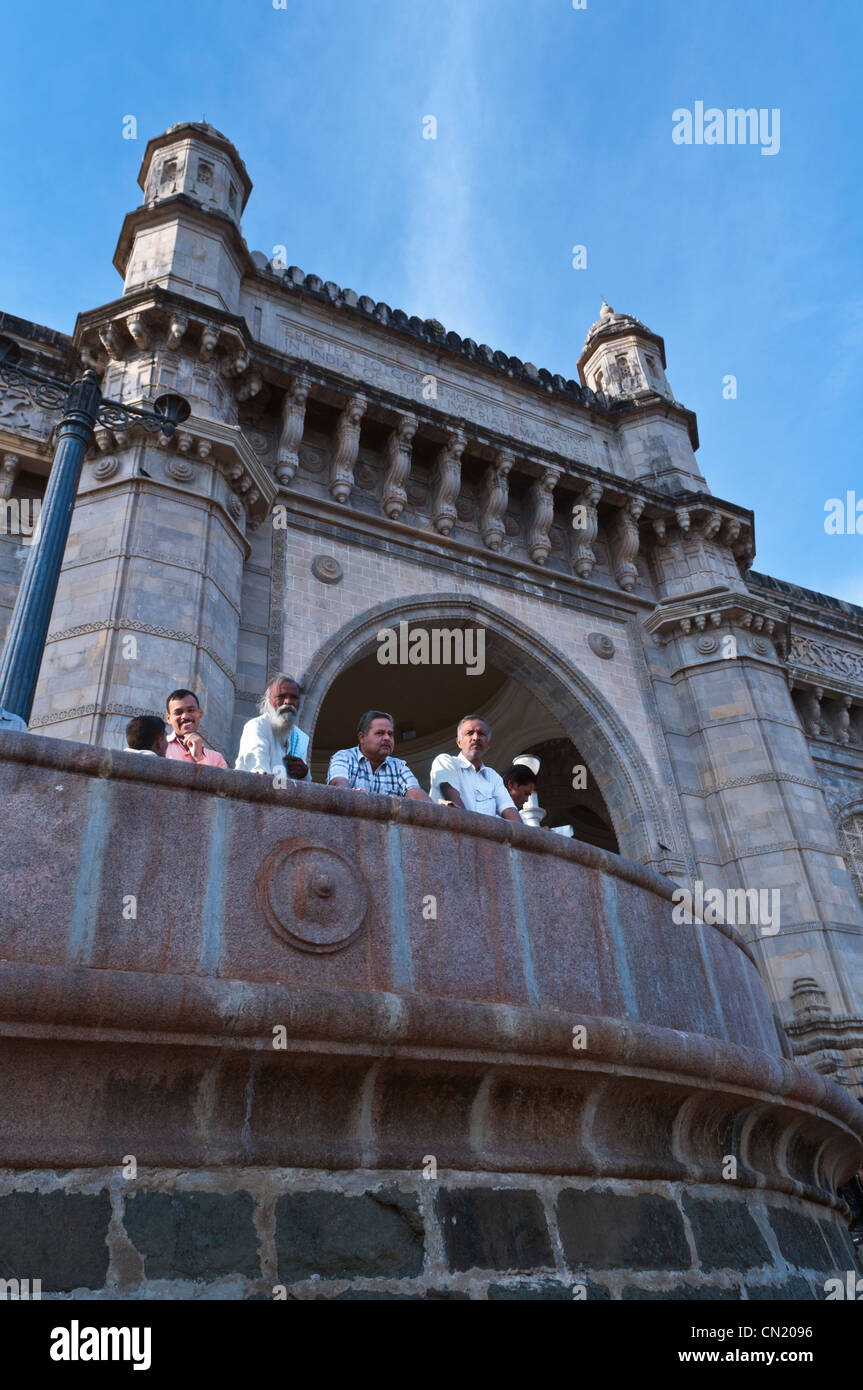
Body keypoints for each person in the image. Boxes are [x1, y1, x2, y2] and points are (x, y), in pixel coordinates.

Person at [429, 715, 520, 821]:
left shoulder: (493, 776)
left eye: (481, 733)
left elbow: (509, 810)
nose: (476, 738)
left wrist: (524, 834)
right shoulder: (445, 761)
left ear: (489, 743)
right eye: (469, 733)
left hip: (485, 835)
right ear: (459, 742)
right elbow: (455, 807)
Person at [328, 710, 431, 801]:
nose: (387, 738)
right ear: (362, 737)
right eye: (380, 733)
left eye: (390, 734)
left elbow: (417, 797)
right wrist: (349, 795)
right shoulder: (344, 757)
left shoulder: (398, 767)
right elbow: (338, 786)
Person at [235, 673, 311, 779]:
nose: (288, 702)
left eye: (293, 697)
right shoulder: (257, 726)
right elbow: (257, 760)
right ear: (268, 700)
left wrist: (305, 773)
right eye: (281, 697)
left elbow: (305, 785)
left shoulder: (300, 738)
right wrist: (262, 772)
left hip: (286, 794)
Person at [164, 688, 228, 767]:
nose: (185, 716)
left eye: (191, 710)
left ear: (200, 713)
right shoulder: (159, 747)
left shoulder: (216, 759)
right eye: (178, 712)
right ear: (168, 718)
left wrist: (200, 758)